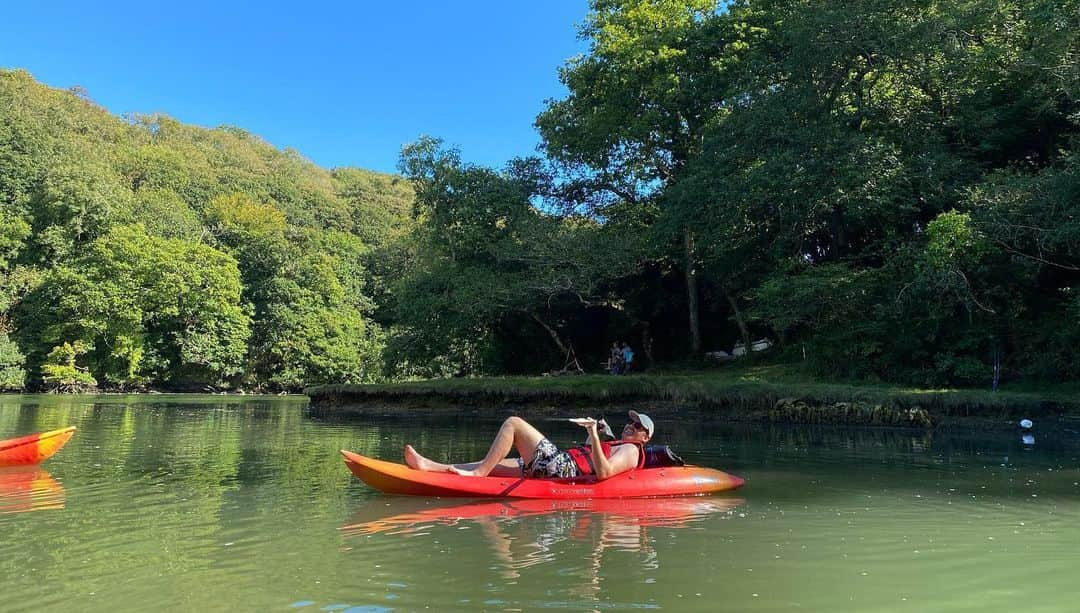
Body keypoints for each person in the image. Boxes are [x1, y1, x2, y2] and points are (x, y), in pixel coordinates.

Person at [404, 410, 655, 480]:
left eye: (638, 427)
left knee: (513, 423)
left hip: (560, 467)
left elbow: (605, 473)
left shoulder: (632, 450)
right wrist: (596, 434)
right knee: (489, 463)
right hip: (559, 464)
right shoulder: (619, 443)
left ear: (646, 438)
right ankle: (430, 466)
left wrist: (593, 432)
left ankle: (478, 475)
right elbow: (589, 454)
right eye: (630, 422)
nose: (631, 426)